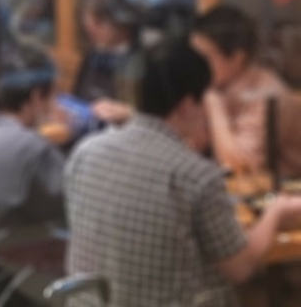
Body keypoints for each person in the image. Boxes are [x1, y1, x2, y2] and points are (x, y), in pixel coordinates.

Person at [65, 39, 301, 307]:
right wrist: (277, 211)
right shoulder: (194, 176)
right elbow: (240, 267)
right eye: (206, 101)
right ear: (188, 105)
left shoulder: (85, 152)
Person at [0, 66, 65, 301]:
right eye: (52, 97)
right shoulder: (33, 149)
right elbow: (73, 209)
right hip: (6, 282)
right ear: (36, 97)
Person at [191, 4, 301, 178]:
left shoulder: (265, 94)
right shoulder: (220, 86)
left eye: (205, 57)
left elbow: (240, 168)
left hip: (285, 189)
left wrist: (213, 105)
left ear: (237, 57)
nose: (195, 64)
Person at [71, 0, 141, 124]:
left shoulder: (142, 62)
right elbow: (77, 98)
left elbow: (154, 119)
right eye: (88, 18)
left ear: (125, 23)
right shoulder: (92, 56)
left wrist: (130, 114)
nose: (90, 26)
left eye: (100, 20)